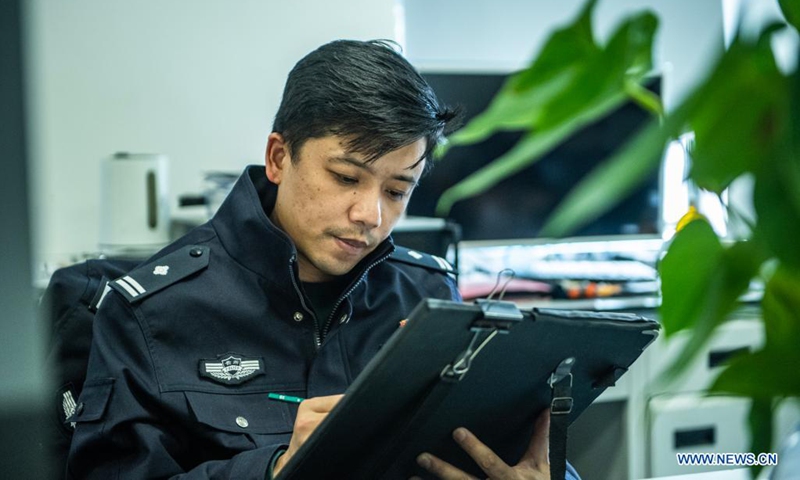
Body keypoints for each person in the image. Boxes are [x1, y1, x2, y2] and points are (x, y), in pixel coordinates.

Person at [66, 39, 578, 480]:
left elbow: (506, 446)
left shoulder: (428, 296)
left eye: (398, 190)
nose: (369, 214)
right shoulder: (151, 311)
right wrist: (273, 469)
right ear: (278, 157)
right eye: (346, 177)